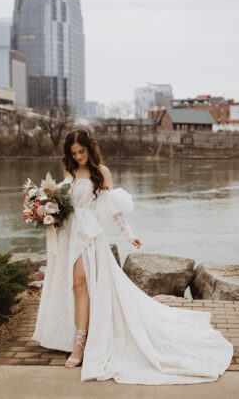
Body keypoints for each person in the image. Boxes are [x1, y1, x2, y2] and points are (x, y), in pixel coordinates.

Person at [32, 128, 233, 385]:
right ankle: (79, 333)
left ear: (90, 149)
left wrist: (129, 236)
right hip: (68, 233)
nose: (78, 156)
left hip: (89, 236)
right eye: (73, 153)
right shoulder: (69, 171)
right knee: (74, 286)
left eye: (82, 151)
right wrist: (46, 210)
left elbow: (114, 210)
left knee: (81, 285)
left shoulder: (101, 172)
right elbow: (66, 204)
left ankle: (80, 345)